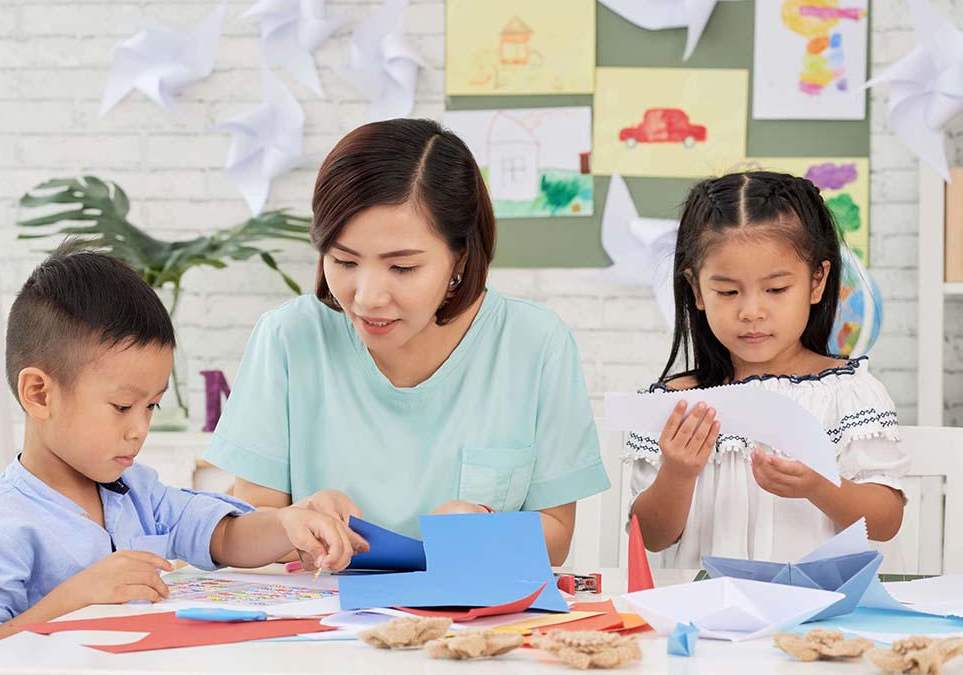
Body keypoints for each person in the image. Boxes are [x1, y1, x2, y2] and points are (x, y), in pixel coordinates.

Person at [204, 118, 610, 564]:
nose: (368, 297)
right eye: (344, 260)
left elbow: (556, 536)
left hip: (469, 621)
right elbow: (252, 520)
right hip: (320, 622)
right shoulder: (288, 337)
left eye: (402, 268)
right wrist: (299, 521)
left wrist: (486, 525)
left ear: (461, 255)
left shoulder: (535, 344)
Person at [0, 247, 364, 661]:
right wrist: (77, 596)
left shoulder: (137, 491)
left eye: (151, 406)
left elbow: (223, 536)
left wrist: (290, 524)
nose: (140, 429)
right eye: (123, 407)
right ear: (39, 394)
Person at [627, 171, 908, 566]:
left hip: (820, 615)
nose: (751, 312)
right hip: (707, 616)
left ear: (817, 281)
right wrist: (678, 472)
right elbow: (652, 538)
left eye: (776, 290)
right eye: (727, 291)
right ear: (696, 290)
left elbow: (885, 521)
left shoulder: (850, 392)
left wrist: (819, 486)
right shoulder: (678, 403)